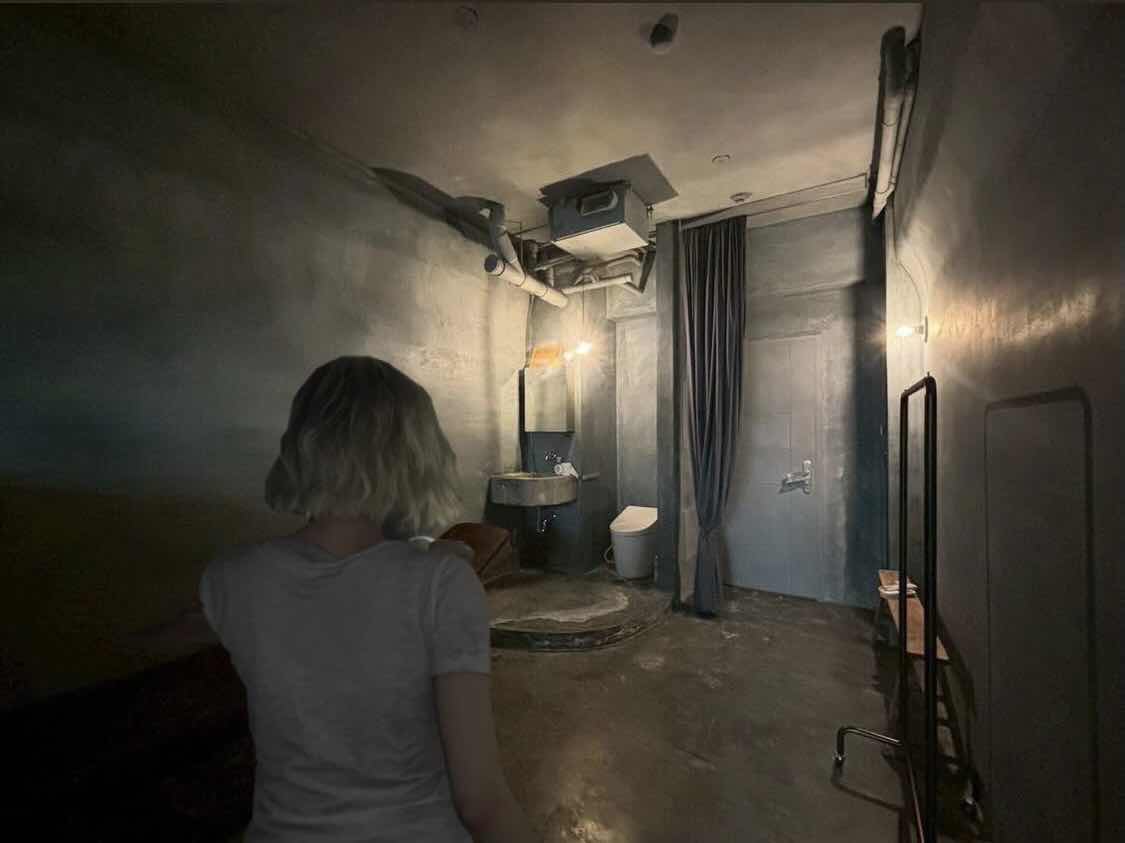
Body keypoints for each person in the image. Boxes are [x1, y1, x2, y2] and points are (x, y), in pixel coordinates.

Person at [200, 356, 535, 842]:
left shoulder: (231, 577)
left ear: (303, 445)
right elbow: (481, 801)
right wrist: (432, 567)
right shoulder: (443, 585)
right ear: (412, 455)